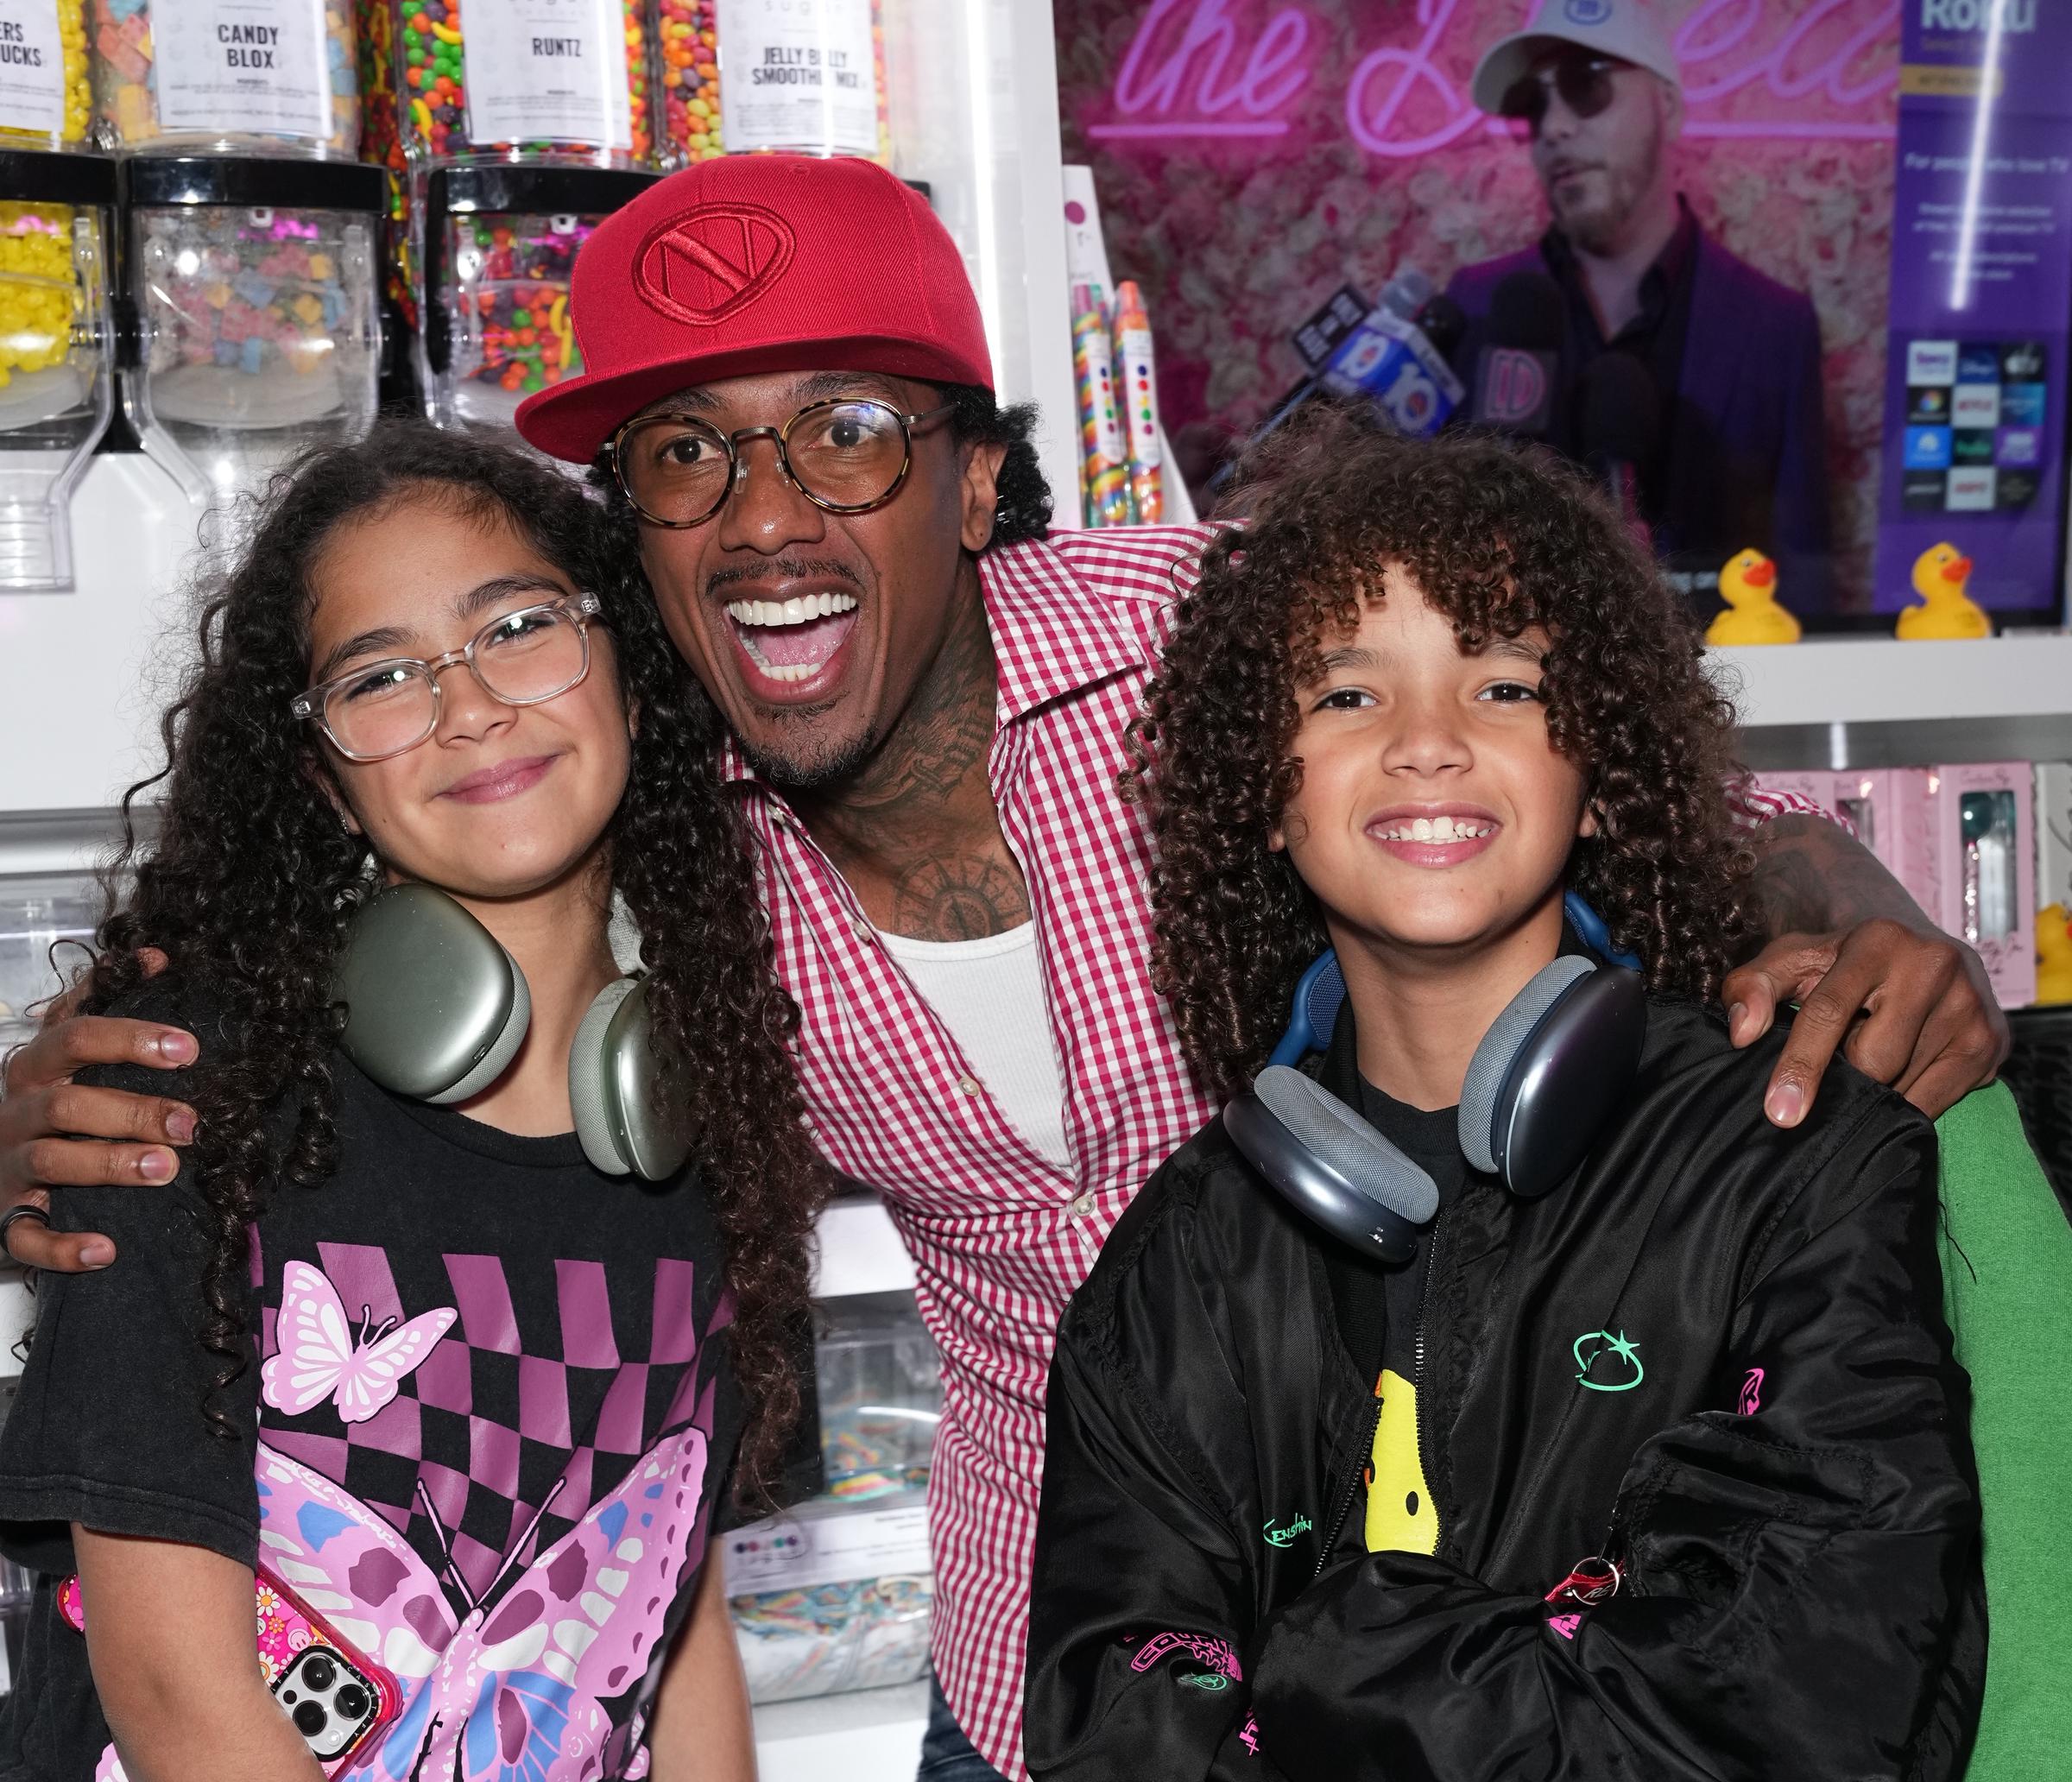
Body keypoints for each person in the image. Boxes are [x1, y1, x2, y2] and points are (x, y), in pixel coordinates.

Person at [0, 157, 2011, 1782]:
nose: (766, 516)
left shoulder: (1228, 646)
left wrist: (1846, 900)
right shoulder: (643, 820)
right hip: (1033, 1669)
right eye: (687, 458)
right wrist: (58, 1097)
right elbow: (336, 898)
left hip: (1439, 1645)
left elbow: (1613, 771)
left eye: (845, 434)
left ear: (971, 482)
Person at [1024, 409, 1981, 1779]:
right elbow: (1114, 1727)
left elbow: (1794, 1702)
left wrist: (1312, 1664)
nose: (1426, 742)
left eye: (1506, 686)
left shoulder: (1794, 1156)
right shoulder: (1181, 1263)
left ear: (1597, 776)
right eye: (1345, 694)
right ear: (1269, 793)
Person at [0, 424, 824, 1780]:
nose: (470, 707)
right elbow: (170, 1689)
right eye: (381, 676)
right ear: (325, 776)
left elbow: (679, 1620)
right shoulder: (181, 1091)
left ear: (627, 667)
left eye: (517, 626)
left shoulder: (708, 1123)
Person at [1445, 0, 1833, 606]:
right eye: (1534, 105)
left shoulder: (1776, 330)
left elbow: (1804, 589)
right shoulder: (1474, 308)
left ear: (1668, 108)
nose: (1553, 128)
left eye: (1586, 86)